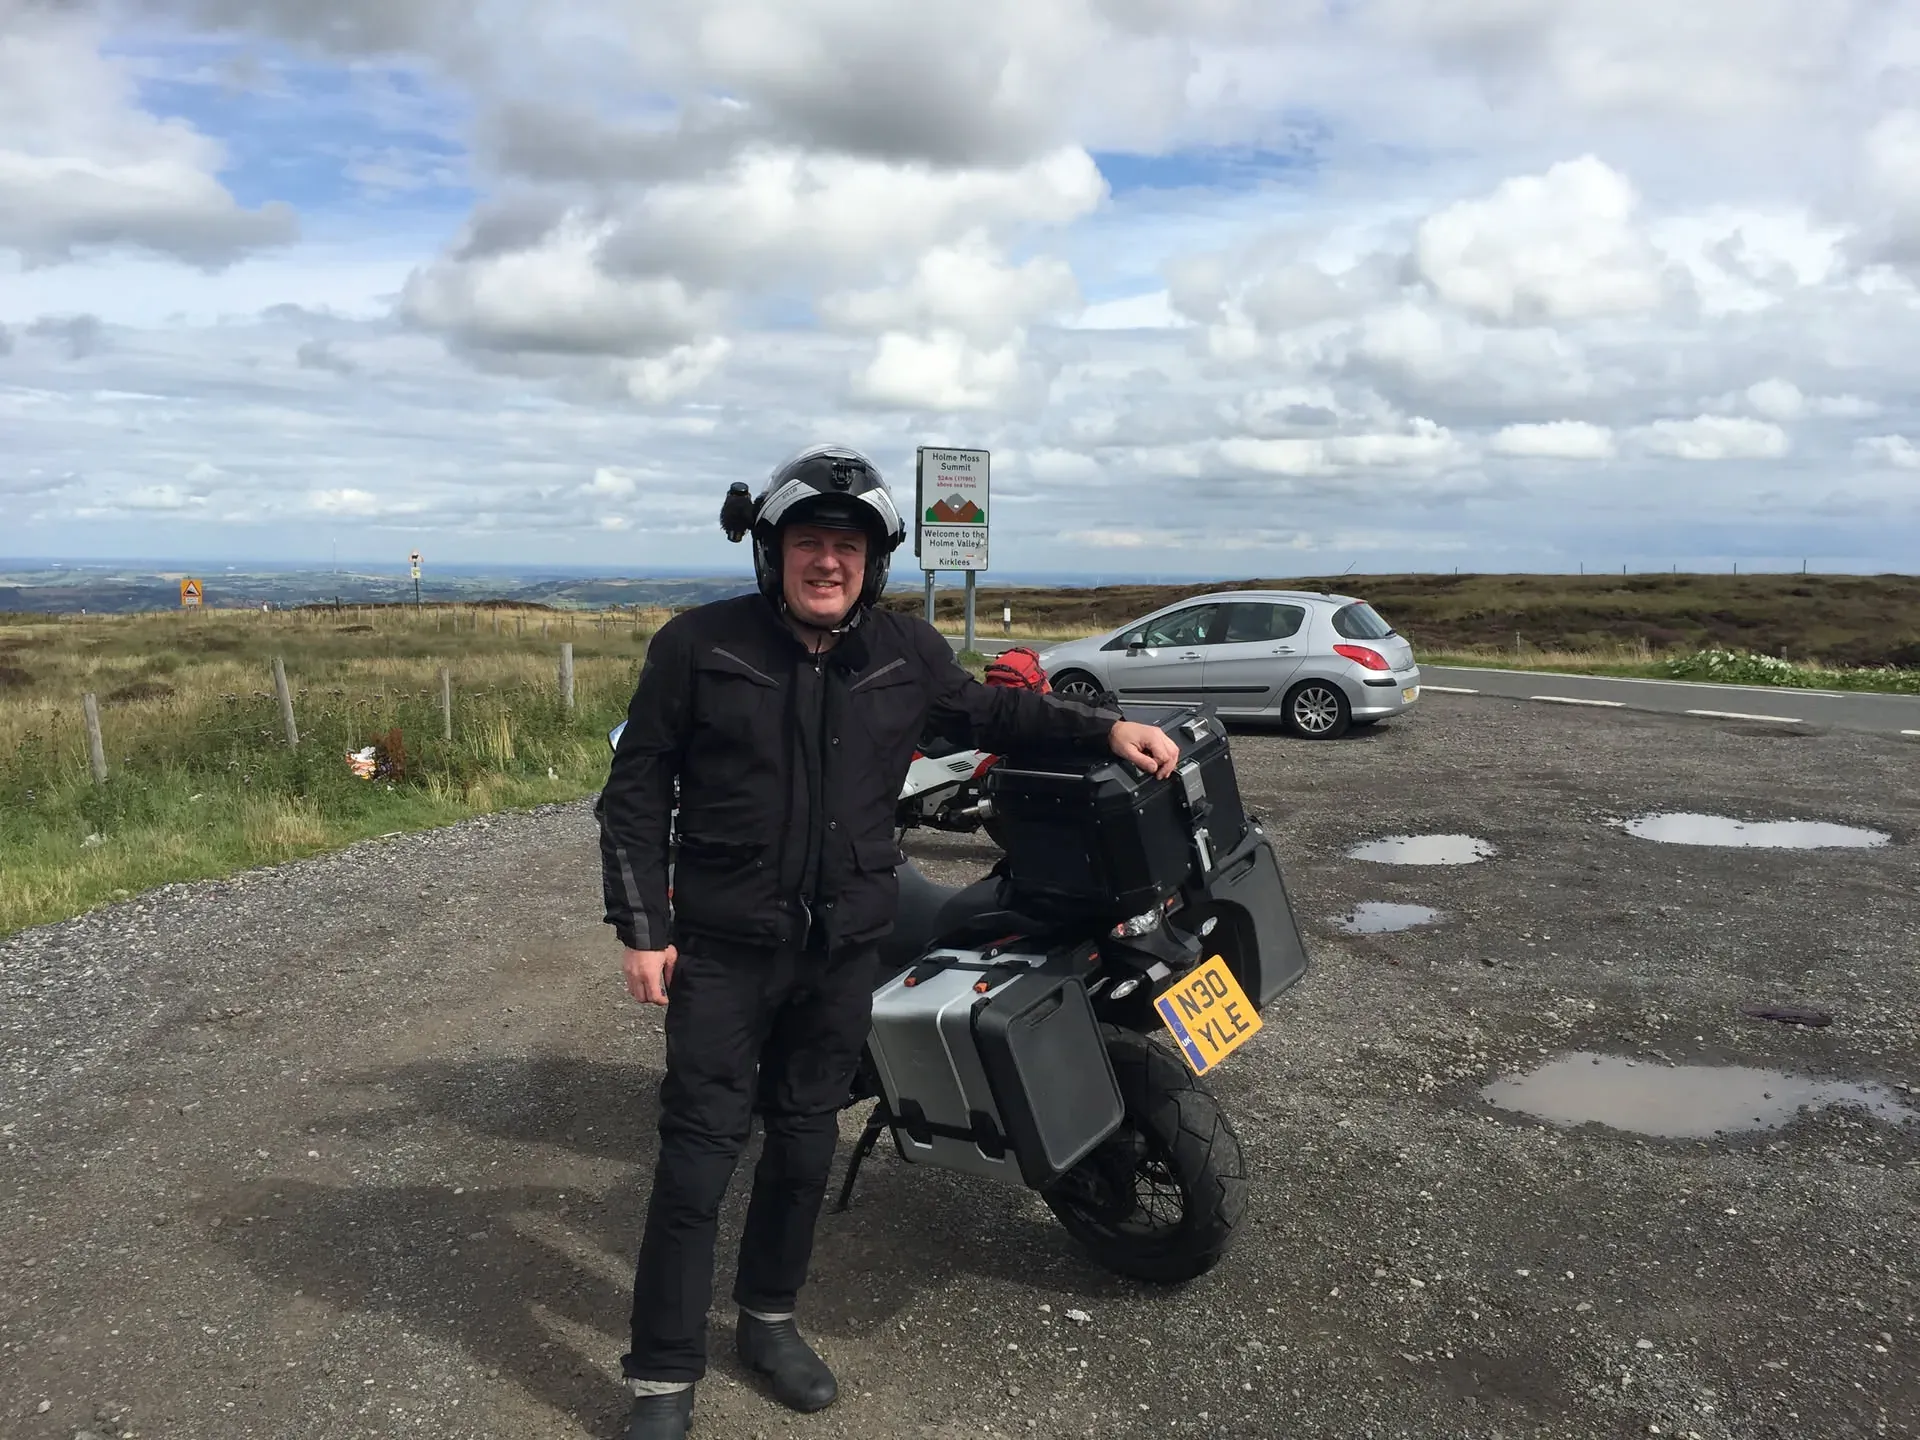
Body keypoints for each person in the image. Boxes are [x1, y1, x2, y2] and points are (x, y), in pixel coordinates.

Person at [596, 444, 1180, 1440]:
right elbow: (635, 796)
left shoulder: (904, 655)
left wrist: (1104, 729)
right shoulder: (697, 647)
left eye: (849, 546)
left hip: (842, 951)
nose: (830, 562)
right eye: (810, 543)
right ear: (771, 551)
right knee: (697, 1158)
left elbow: (998, 710)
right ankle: (662, 1375)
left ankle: (769, 1323)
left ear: (875, 561)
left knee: (803, 1143)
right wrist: (644, 928)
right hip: (727, 950)